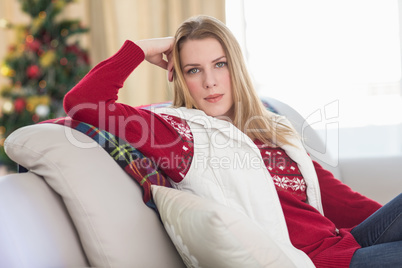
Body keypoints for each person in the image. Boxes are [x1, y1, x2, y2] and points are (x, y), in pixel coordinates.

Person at [63, 15, 402, 267]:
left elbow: (342, 201)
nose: (210, 82)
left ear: (235, 68)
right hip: (314, 262)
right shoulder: (177, 135)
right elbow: (83, 102)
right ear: (180, 77)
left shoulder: (269, 128)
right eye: (193, 69)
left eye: (219, 64)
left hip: (347, 244)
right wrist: (142, 49)